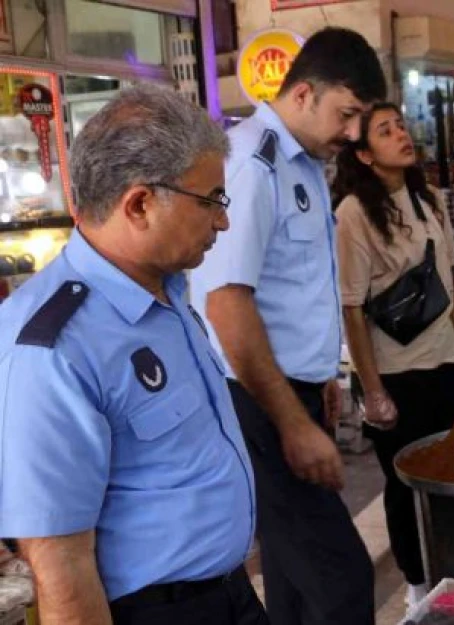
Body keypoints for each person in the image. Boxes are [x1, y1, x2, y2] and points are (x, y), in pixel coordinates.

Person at [0, 85, 265, 625]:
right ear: (140, 203)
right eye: (211, 200)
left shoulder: (165, 293)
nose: (223, 222)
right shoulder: (53, 348)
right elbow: (60, 565)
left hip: (229, 594)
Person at [189, 27, 385, 625]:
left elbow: (291, 290)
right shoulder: (251, 164)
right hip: (255, 398)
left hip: (288, 388)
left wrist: (321, 375)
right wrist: (292, 421)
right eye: (346, 115)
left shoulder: (303, 164)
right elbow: (227, 304)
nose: (353, 134)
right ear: (303, 93)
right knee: (343, 579)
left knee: (295, 588)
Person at [333, 102, 454, 604]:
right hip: (396, 376)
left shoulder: (431, 201)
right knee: (407, 484)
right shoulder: (353, 215)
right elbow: (352, 308)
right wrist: (373, 389)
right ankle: (418, 588)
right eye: (385, 131)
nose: (401, 134)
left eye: (400, 125)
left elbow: (445, 289)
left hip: (444, 366)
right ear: (363, 154)